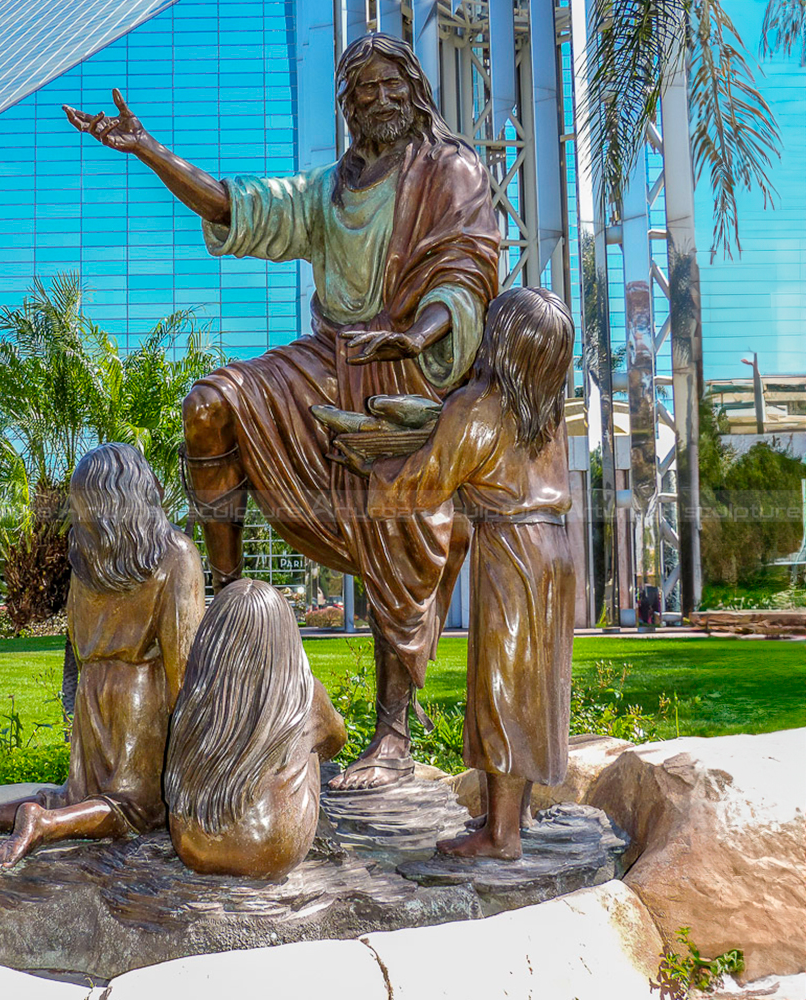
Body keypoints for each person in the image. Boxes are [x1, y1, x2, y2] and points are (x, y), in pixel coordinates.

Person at [64, 33, 501, 790]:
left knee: (395, 521)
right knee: (210, 405)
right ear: (347, 105)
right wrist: (147, 150)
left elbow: (466, 273)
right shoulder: (328, 191)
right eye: (363, 89)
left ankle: (393, 734)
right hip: (330, 360)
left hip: (414, 366)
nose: (380, 99)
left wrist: (412, 335)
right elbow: (237, 205)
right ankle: (226, 606)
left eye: (391, 84)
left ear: (414, 88)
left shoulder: (450, 171)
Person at [337, 288, 575, 860]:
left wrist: (371, 467)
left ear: (502, 342)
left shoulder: (479, 407)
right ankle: (514, 817)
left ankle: (501, 837)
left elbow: (426, 481)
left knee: (504, 686)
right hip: (555, 551)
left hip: (512, 552)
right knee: (536, 686)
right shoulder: (545, 415)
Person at [0, 443, 204, 876]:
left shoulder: (87, 559)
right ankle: (44, 825)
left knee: (78, 795)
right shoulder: (174, 552)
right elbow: (184, 665)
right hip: (141, 695)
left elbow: (77, 636)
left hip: (93, 691)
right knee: (136, 810)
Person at [164, 578, 346, 880]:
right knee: (307, 742)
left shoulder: (195, 695)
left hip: (192, 848)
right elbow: (336, 739)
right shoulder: (304, 693)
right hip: (272, 852)